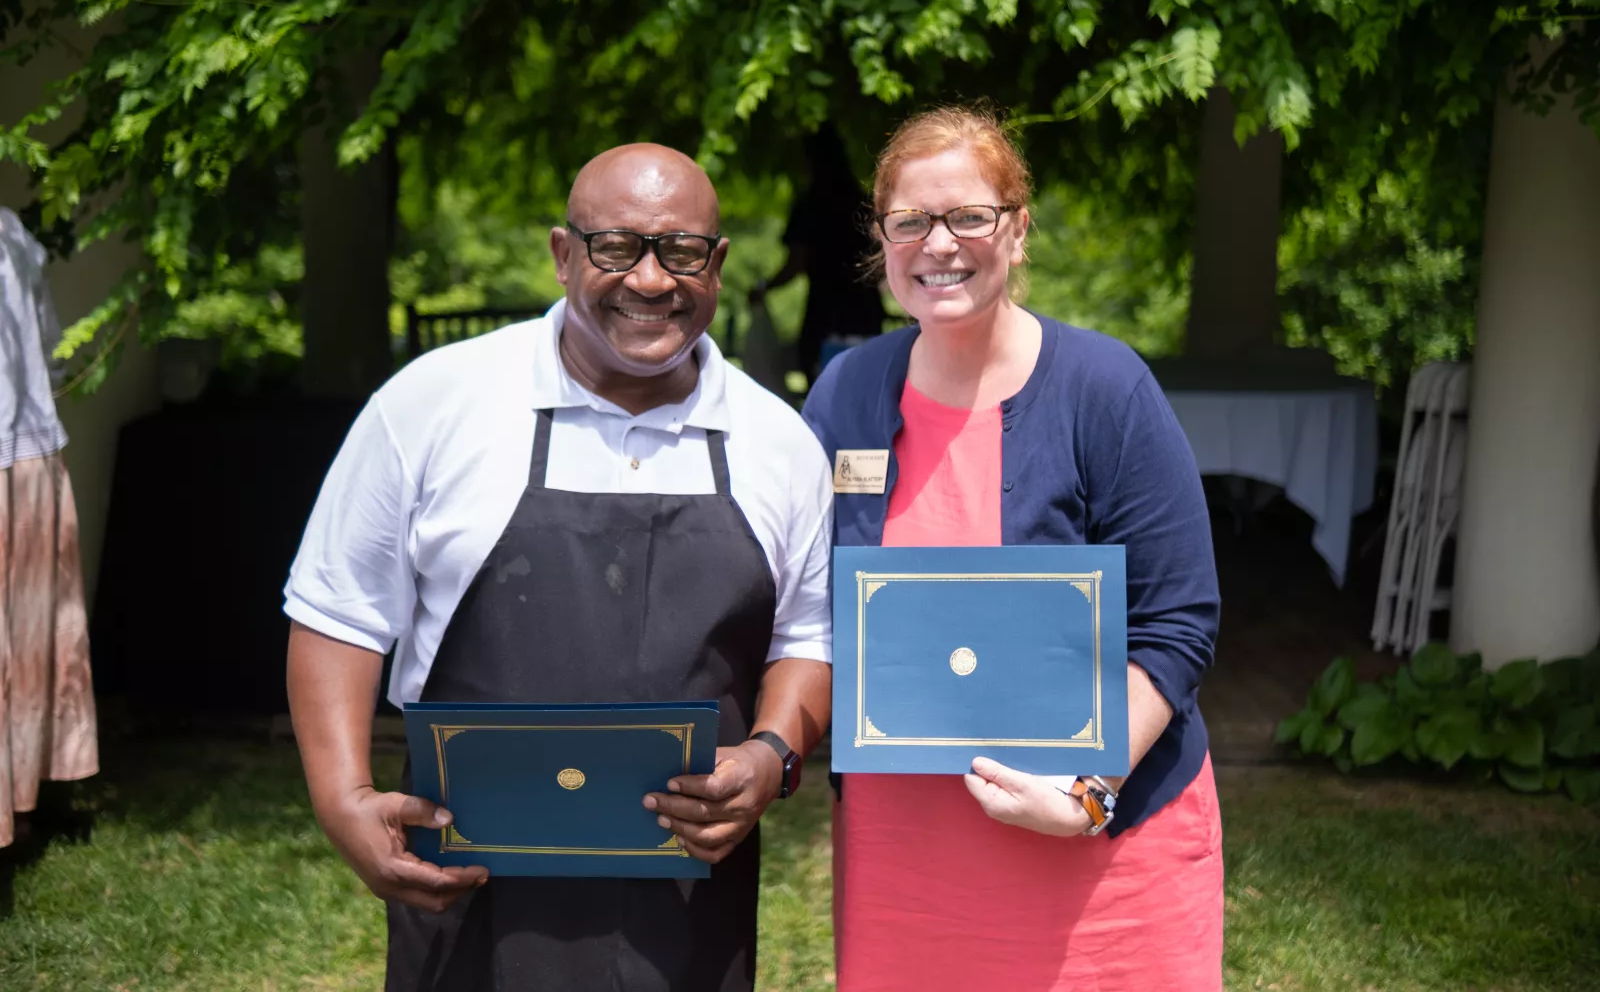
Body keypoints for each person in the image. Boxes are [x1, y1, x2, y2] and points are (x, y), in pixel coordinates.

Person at [283, 144, 835, 992]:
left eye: (682, 252)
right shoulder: (433, 404)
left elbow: (807, 634)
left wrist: (770, 754)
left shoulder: (780, 443)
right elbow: (338, 613)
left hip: (688, 897)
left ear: (718, 264)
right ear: (562, 253)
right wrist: (342, 799)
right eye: (616, 247)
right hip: (467, 887)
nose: (650, 280)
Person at [802, 106, 1224, 990]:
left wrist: (1089, 792)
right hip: (904, 855)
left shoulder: (1106, 388)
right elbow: (802, 600)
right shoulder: (845, 392)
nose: (939, 244)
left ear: (1018, 229)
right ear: (883, 239)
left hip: (1098, 844)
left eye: (969, 216)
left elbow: (1178, 620)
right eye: (911, 220)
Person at [0, 207, 98, 852]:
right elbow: (51, 346)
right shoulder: (9, 231)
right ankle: (26, 802)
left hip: (25, 451)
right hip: (32, 458)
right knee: (31, 637)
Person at [752, 125, 886, 383]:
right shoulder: (864, 202)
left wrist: (764, 287)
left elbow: (796, 264)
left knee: (825, 384)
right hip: (866, 313)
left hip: (826, 313)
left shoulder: (810, 205)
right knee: (865, 385)